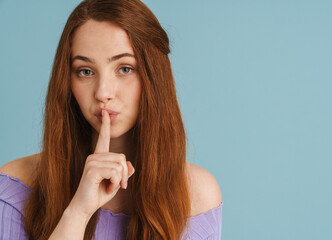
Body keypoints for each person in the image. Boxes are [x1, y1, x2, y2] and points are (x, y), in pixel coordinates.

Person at [0, 0, 223, 239]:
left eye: (125, 68)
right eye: (85, 71)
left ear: (154, 77)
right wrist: (78, 212)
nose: (103, 92)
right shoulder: (16, 187)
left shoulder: (198, 196)